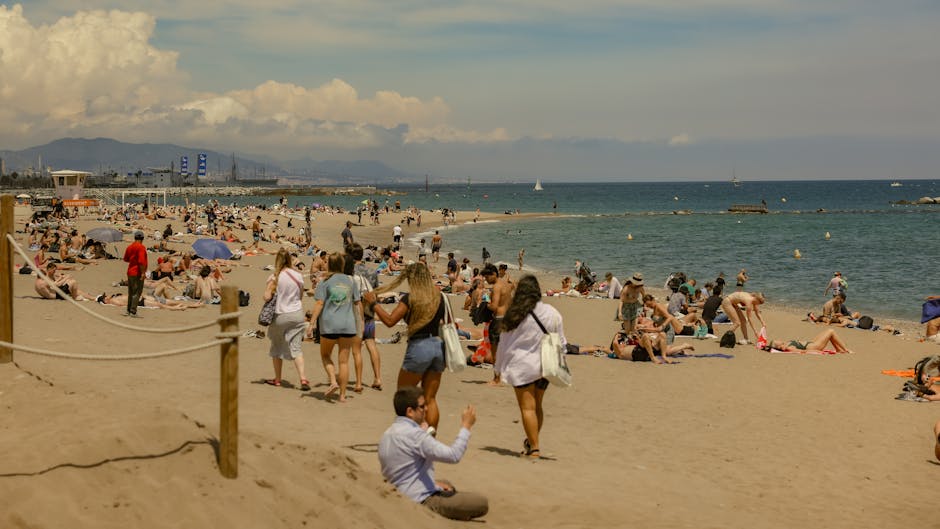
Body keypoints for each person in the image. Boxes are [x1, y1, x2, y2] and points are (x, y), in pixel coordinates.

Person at [378, 386, 488, 521]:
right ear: (410, 411)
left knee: (445, 483)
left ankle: (440, 493)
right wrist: (466, 426)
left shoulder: (387, 433)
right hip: (419, 500)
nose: (426, 409)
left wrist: (434, 485)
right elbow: (454, 455)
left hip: (399, 490)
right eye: (422, 406)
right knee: (481, 503)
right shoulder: (415, 435)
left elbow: (404, 469)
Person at [365, 263, 446, 432]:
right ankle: (430, 436)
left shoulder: (410, 299)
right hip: (438, 346)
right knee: (430, 398)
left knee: (403, 396)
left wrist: (374, 304)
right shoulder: (439, 297)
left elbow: (390, 321)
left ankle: (406, 434)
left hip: (419, 347)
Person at [495, 274, 562, 458]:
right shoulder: (552, 312)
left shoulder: (514, 314)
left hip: (522, 366)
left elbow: (503, 343)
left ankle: (534, 448)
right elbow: (561, 341)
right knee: (537, 406)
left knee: (527, 408)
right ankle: (532, 442)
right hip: (545, 365)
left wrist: (498, 368)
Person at [306, 252, 362, 403]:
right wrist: (361, 323)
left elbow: (319, 303)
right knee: (344, 362)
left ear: (329, 264)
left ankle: (332, 381)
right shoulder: (351, 281)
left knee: (325, 355)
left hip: (329, 325)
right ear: (342, 265)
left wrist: (311, 323)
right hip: (348, 325)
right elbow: (357, 304)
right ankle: (342, 396)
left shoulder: (324, 281)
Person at [263, 248, 309, 390]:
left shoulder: (275, 276)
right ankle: (303, 379)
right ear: (290, 260)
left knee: (277, 346)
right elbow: (300, 296)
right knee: (296, 348)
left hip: (281, 314)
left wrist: (268, 292)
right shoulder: (298, 276)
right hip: (297, 314)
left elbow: (267, 297)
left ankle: (277, 379)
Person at [348, 243, 383, 390]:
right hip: (369, 312)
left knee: (356, 350)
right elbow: (376, 293)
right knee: (371, 344)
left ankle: (358, 381)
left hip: (355, 314)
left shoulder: (349, 272)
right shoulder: (372, 272)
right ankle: (377, 378)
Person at [482, 263, 513, 386]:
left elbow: (494, 306)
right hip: (508, 318)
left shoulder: (496, 287)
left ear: (494, 274)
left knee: (495, 350)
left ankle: (496, 379)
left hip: (498, 320)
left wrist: (485, 304)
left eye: (487, 277)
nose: (486, 280)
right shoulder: (506, 284)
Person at [760, 328, 853, 354]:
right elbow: (802, 351)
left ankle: (839, 350)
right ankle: (846, 349)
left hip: (812, 343)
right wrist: (817, 351)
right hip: (815, 346)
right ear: (779, 346)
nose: (779, 340)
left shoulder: (786, 344)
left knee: (827, 332)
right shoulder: (788, 348)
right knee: (831, 331)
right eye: (777, 341)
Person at [123, 230, 148, 317]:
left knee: (131, 292)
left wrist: (133, 260)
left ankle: (128, 310)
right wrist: (143, 273)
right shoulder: (141, 247)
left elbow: (126, 259)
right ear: (142, 238)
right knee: (137, 292)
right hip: (137, 272)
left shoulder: (130, 246)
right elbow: (141, 261)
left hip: (130, 271)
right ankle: (133, 311)